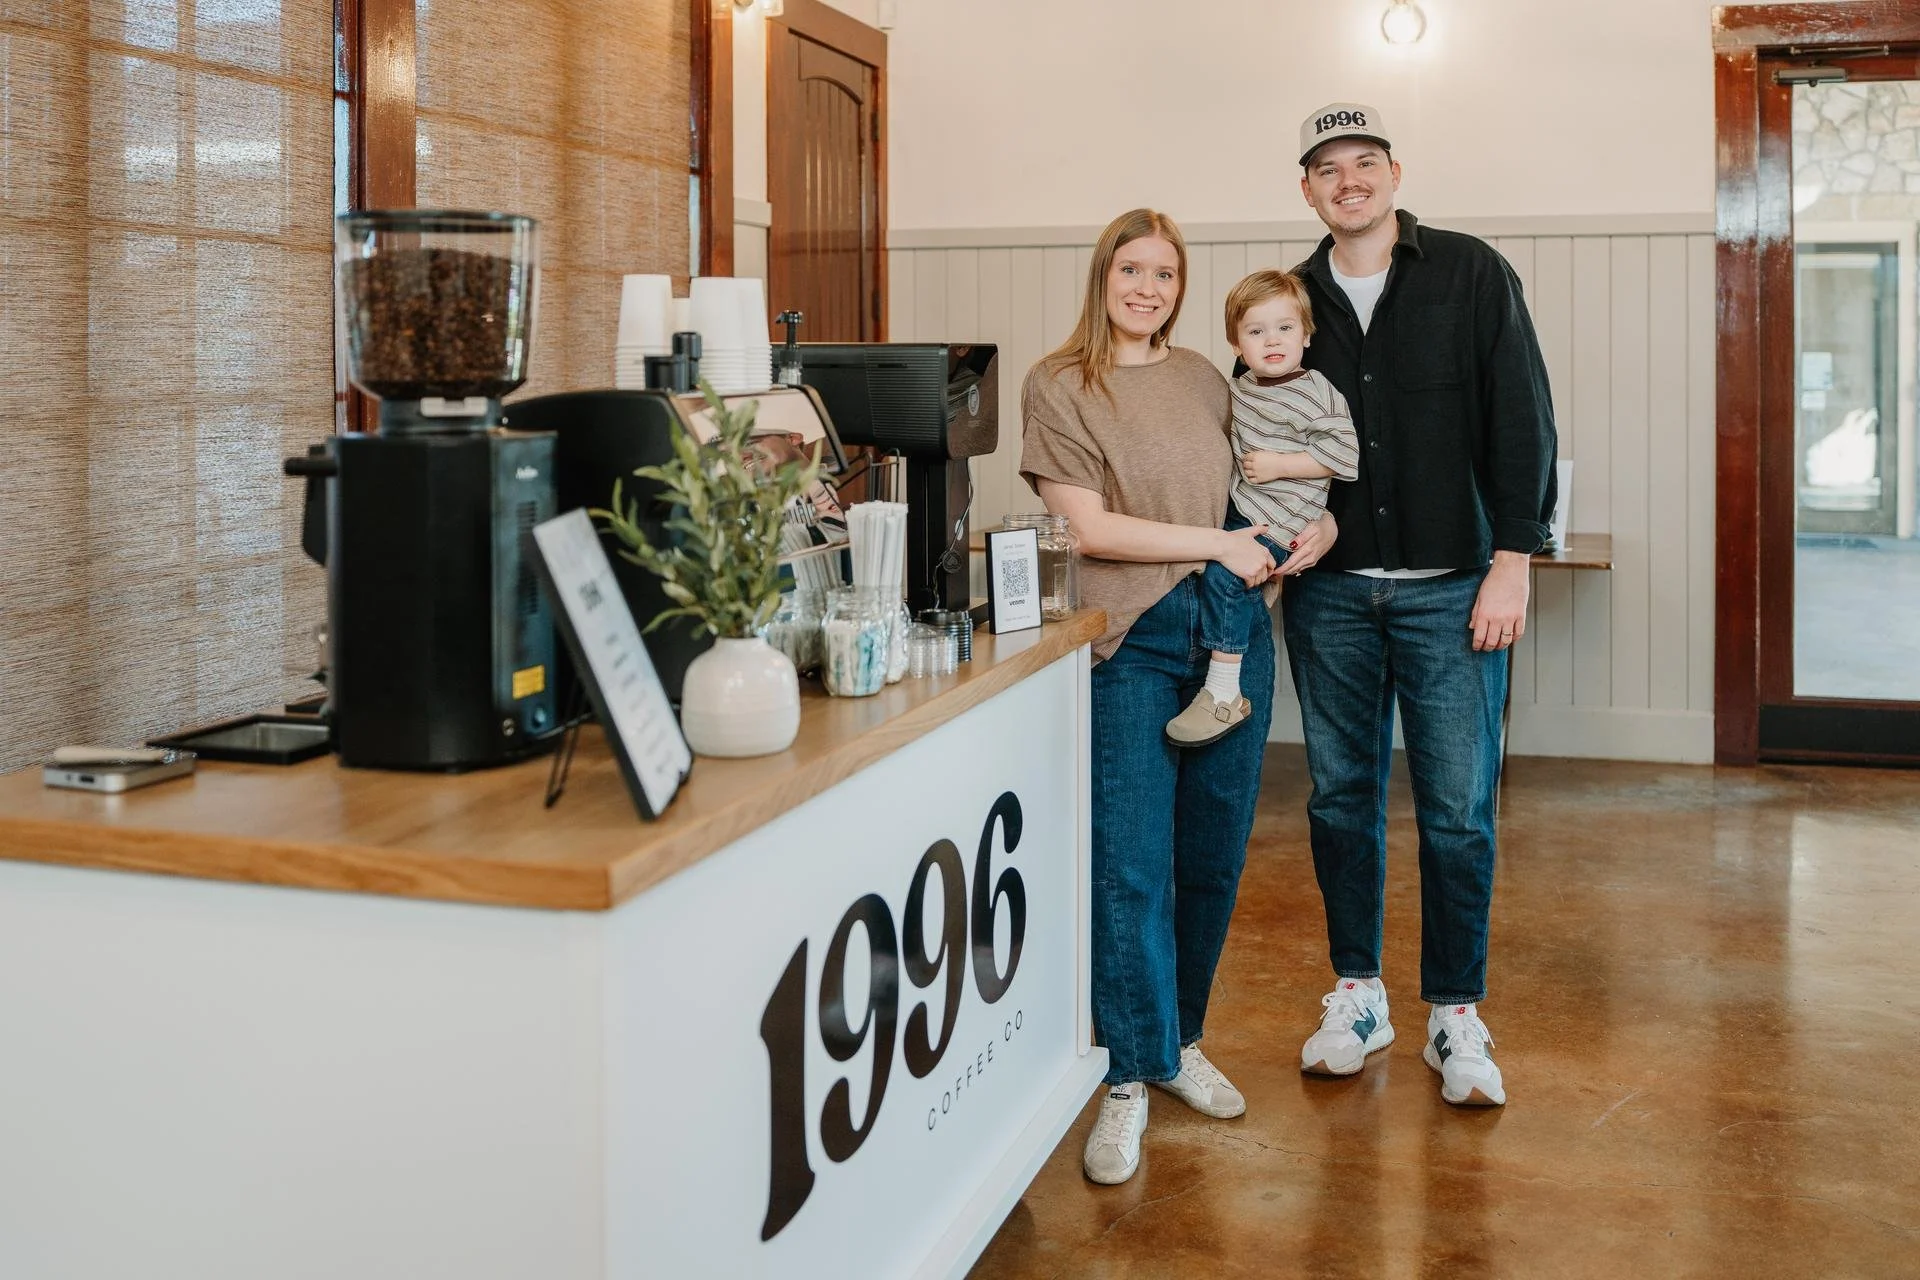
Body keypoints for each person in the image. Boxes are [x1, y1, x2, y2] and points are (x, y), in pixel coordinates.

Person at [1020, 208, 1338, 1185]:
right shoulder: (1060, 383)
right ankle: (1125, 1072)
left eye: (1165, 273)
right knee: (1129, 864)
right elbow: (1089, 528)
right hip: (1129, 641)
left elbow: (1262, 487)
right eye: (1132, 269)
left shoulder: (1208, 376)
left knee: (1210, 857)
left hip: (1228, 634)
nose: (1148, 288)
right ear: (1103, 276)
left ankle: (1178, 1040)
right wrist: (1219, 545)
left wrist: (1314, 531)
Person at [1277, 102, 1557, 1107]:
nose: (1348, 181)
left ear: (1395, 172)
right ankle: (1358, 994)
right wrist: (1282, 526)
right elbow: (1261, 433)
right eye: (1328, 168)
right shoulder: (1291, 299)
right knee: (1339, 800)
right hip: (1331, 597)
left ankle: (1455, 1012)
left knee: (1457, 810)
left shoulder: (1471, 272)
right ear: (1306, 189)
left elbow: (1522, 417)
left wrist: (1514, 560)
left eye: (1365, 162)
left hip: (1455, 591)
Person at [1166, 269, 1358, 749]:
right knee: (1207, 567)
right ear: (1236, 344)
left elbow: (1346, 456)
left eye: (1285, 328)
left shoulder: (1317, 391)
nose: (1272, 340)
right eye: (1256, 331)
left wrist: (1281, 464)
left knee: (1225, 578)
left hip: (1285, 520)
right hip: (1242, 512)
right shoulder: (1240, 390)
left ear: (1306, 335)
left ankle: (1223, 692)